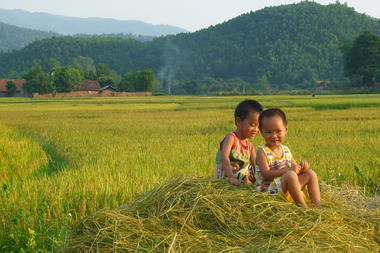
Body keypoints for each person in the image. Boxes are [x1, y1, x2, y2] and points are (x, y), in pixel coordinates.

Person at [255, 108, 321, 208]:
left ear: (286, 129)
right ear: (261, 132)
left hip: (287, 187)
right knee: (290, 175)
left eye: (278, 131)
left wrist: (302, 167)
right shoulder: (262, 151)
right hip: (270, 190)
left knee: (310, 173)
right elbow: (266, 174)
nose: (274, 136)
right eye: (268, 132)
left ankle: (317, 205)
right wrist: (289, 170)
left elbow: (296, 169)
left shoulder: (285, 150)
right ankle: (304, 208)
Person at [215, 100, 263, 185]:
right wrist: (231, 178)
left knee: (256, 174)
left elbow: (256, 164)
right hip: (226, 175)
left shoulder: (249, 146)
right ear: (238, 121)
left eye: (258, 126)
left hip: (240, 174)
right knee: (244, 177)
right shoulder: (231, 138)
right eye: (252, 125)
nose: (256, 129)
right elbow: (224, 157)